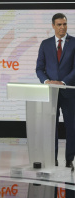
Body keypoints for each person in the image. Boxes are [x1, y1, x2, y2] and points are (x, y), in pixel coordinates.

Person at [36, 13, 75, 171]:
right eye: (59, 24)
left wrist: (63, 82)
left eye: (64, 24)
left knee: (71, 126)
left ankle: (69, 160)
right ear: (53, 26)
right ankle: (53, 158)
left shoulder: (74, 43)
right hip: (50, 93)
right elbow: (39, 68)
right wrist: (47, 81)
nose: (62, 27)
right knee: (51, 127)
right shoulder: (45, 44)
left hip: (69, 92)